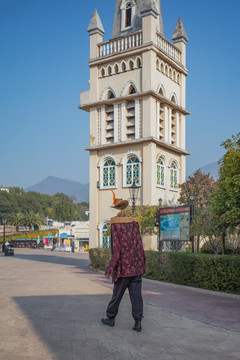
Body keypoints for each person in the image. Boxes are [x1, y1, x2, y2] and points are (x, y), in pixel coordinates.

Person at [101, 193, 146, 332]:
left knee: (117, 295)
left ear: (116, 208)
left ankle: (111, 318)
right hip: (136, 268)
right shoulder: (134, 222)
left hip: (123, 269)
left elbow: (116, 251)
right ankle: (138, 322)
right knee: (136, 296)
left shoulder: (115, 224)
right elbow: (139, 245)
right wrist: (142, 264)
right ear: (126, 207)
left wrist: (109, 269)